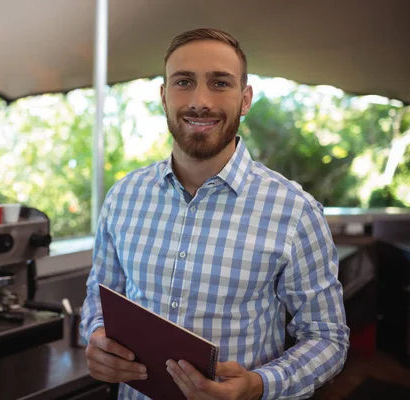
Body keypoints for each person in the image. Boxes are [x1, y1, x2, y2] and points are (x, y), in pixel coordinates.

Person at [80, 28, 349, 400]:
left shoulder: (295, 212)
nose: (200, 101)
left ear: (245, 99)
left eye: (220, 83)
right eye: (184, 82)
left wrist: (258, 385)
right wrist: (95, 336)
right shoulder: (122, 198)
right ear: (163, 96)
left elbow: (328, 339)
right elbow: (99, 293)